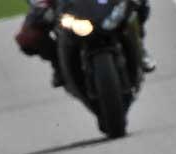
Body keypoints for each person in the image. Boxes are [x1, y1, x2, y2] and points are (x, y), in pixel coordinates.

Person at [15, 0, 156, 88]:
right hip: (66, 7)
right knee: (28, 36)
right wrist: (40, 7)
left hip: (100, 4)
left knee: (139, 4)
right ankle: (58, 63)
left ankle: (139, 45)